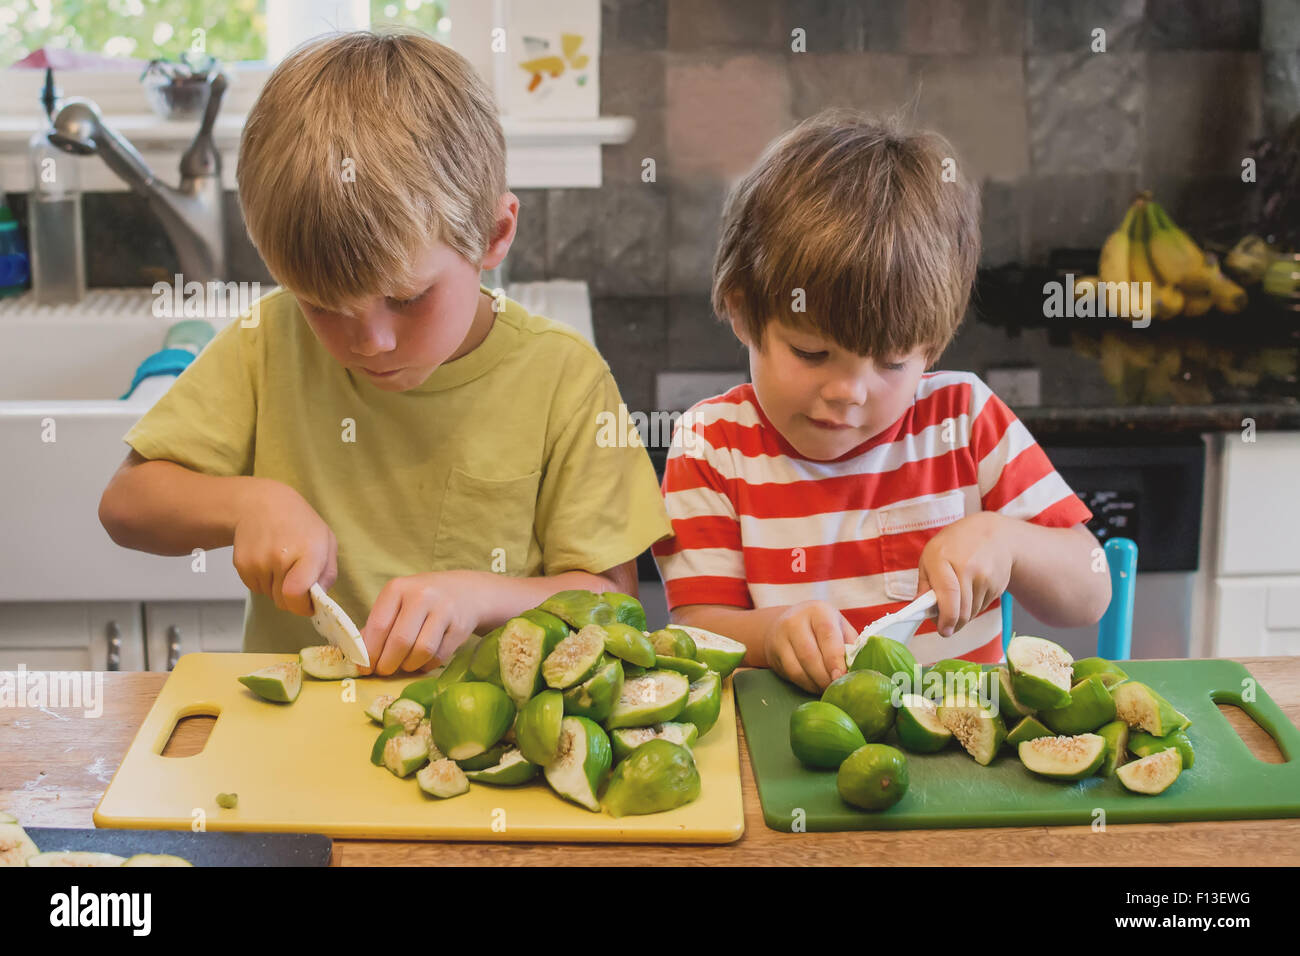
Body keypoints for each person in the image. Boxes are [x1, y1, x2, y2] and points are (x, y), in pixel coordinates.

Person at [99, 31, 670, 674]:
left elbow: (614, 603)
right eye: (323, 306)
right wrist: (247, 503)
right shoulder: (269, 340)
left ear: (494, 235)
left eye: (407, 299)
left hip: (495, 748)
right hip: (296, 733)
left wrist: (481, 596)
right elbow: (126, 506)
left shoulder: (565, 377)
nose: (370, 343)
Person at [653, 111, 1111, 694]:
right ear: (744, 313)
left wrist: (1009, 540)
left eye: (893, 362)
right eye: (812, 352)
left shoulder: (965, 419)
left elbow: (1090, 592)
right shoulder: (711, 446)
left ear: (932, 346)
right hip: (790, 755)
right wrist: (772, 636)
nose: (849, 391)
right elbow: (697, 633)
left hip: (960, 754)